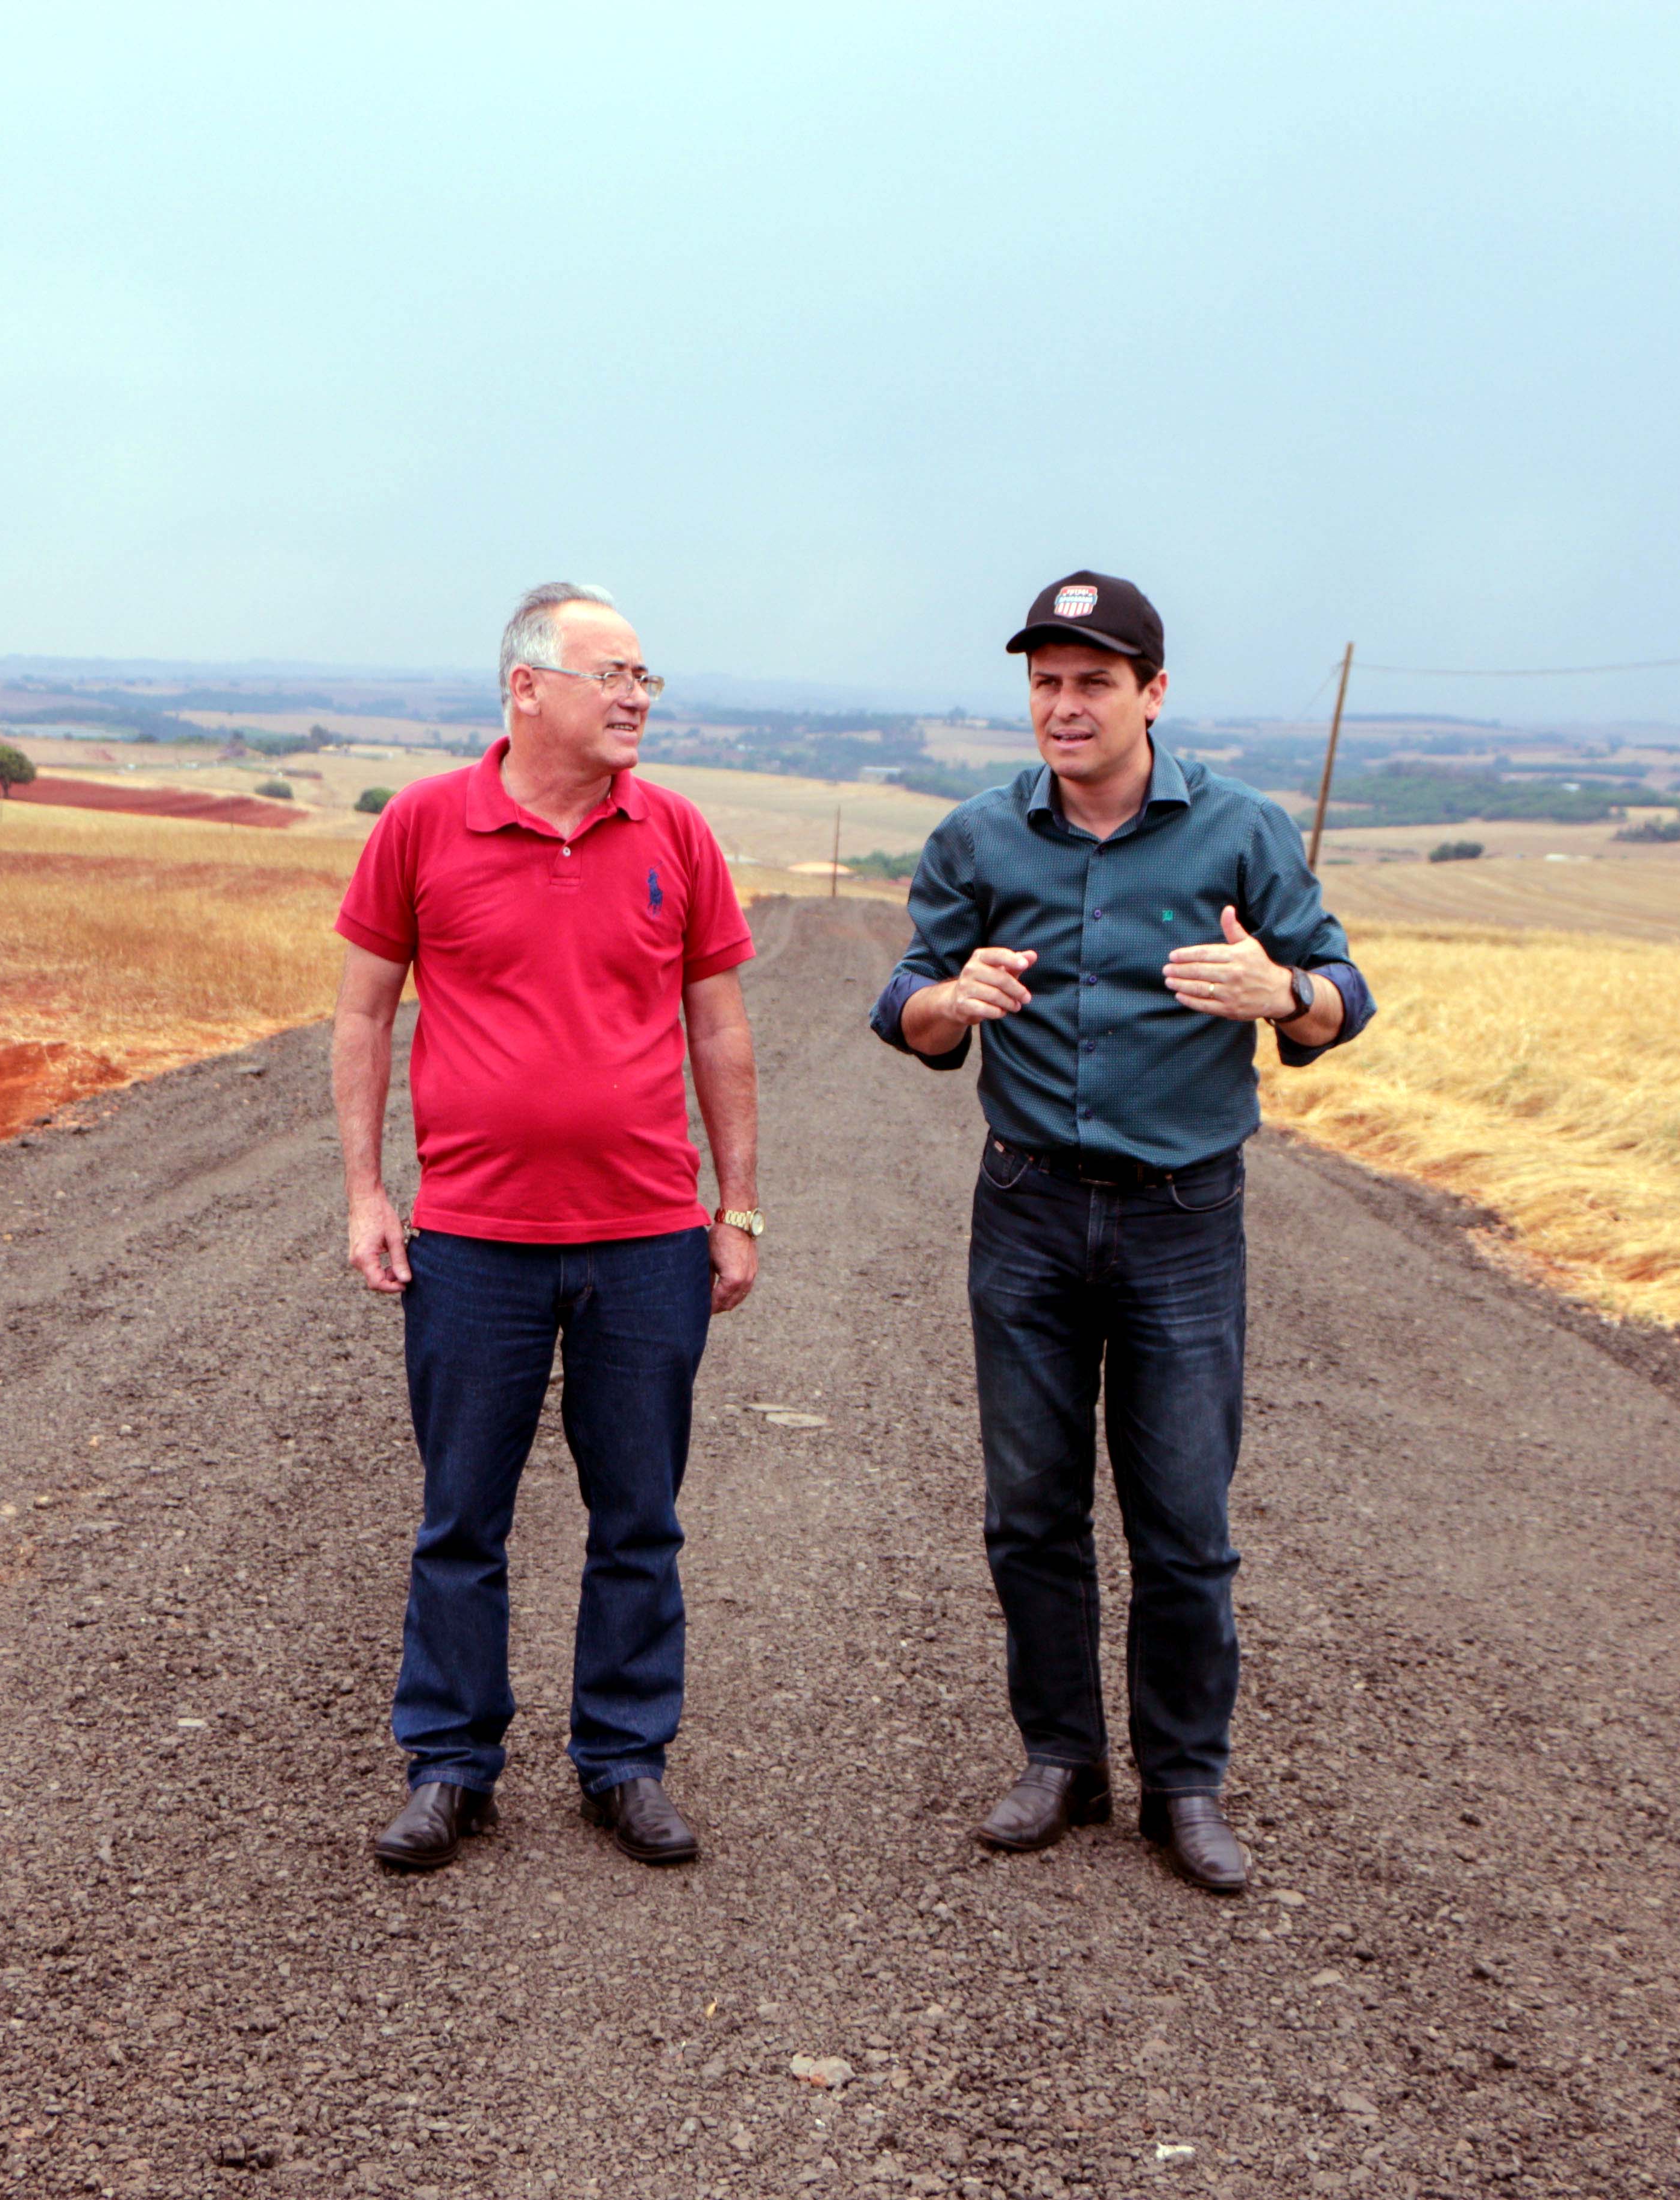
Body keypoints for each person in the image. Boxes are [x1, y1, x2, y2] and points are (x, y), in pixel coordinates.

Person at [869, 571, 1374, 1894]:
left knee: (1185, 1521)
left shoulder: (1242, 834)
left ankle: (1185, 1785)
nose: (1065, 705)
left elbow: (1344, 993)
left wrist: (1283, 992)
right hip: (1028, 1212)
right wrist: (949, 1003)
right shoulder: (979, 839)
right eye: (1045, 682)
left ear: (1153, 694)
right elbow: (906, 1002)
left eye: (1093, 682)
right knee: (1031, 1511)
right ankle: (1062, 1760)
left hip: (1182, 1221)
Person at [333, 581, 765, 1873]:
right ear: (527, 687)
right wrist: (367, 1194)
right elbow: (364, 1014)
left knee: (639, 1519)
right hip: (473, 1241)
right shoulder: (423, 824)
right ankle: (449, 1765)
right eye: (612, 674)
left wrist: (737, 1206)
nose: (637, 697)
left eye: (646, 677)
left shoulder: (676, 832)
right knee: (461, 1518)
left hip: (647, 1240)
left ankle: (625, 1761)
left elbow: (719, 1028)